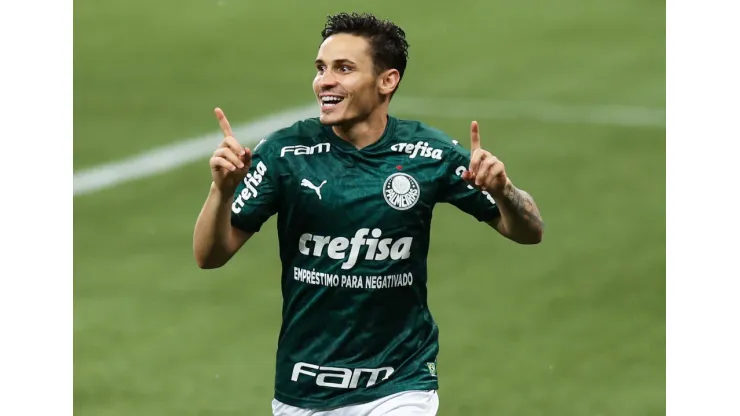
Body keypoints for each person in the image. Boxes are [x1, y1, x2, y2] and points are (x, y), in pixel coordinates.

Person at [193, 12, 544, 416]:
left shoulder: (428, 154)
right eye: (322, 68)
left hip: (402, 381)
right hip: (305, 387)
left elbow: (529, 230)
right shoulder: (284, 154)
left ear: (387, 81)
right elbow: (209, 256)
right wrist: (221, 191)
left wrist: (504, 191)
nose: (325, 81)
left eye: (344, 69)